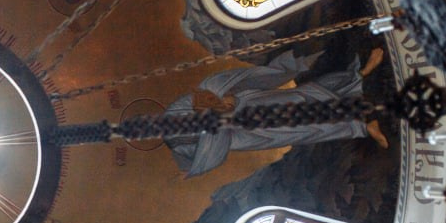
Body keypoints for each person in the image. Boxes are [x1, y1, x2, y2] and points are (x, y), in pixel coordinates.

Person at [161, 48, 388, 177]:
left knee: (303, 97)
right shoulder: (179, 148)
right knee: (307, 131)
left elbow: (206, 93)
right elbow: (209, 154)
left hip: (245, 106)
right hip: (248, 134)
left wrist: (225, 98)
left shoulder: (174, 112)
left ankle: (360, 75)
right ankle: (363, 128)